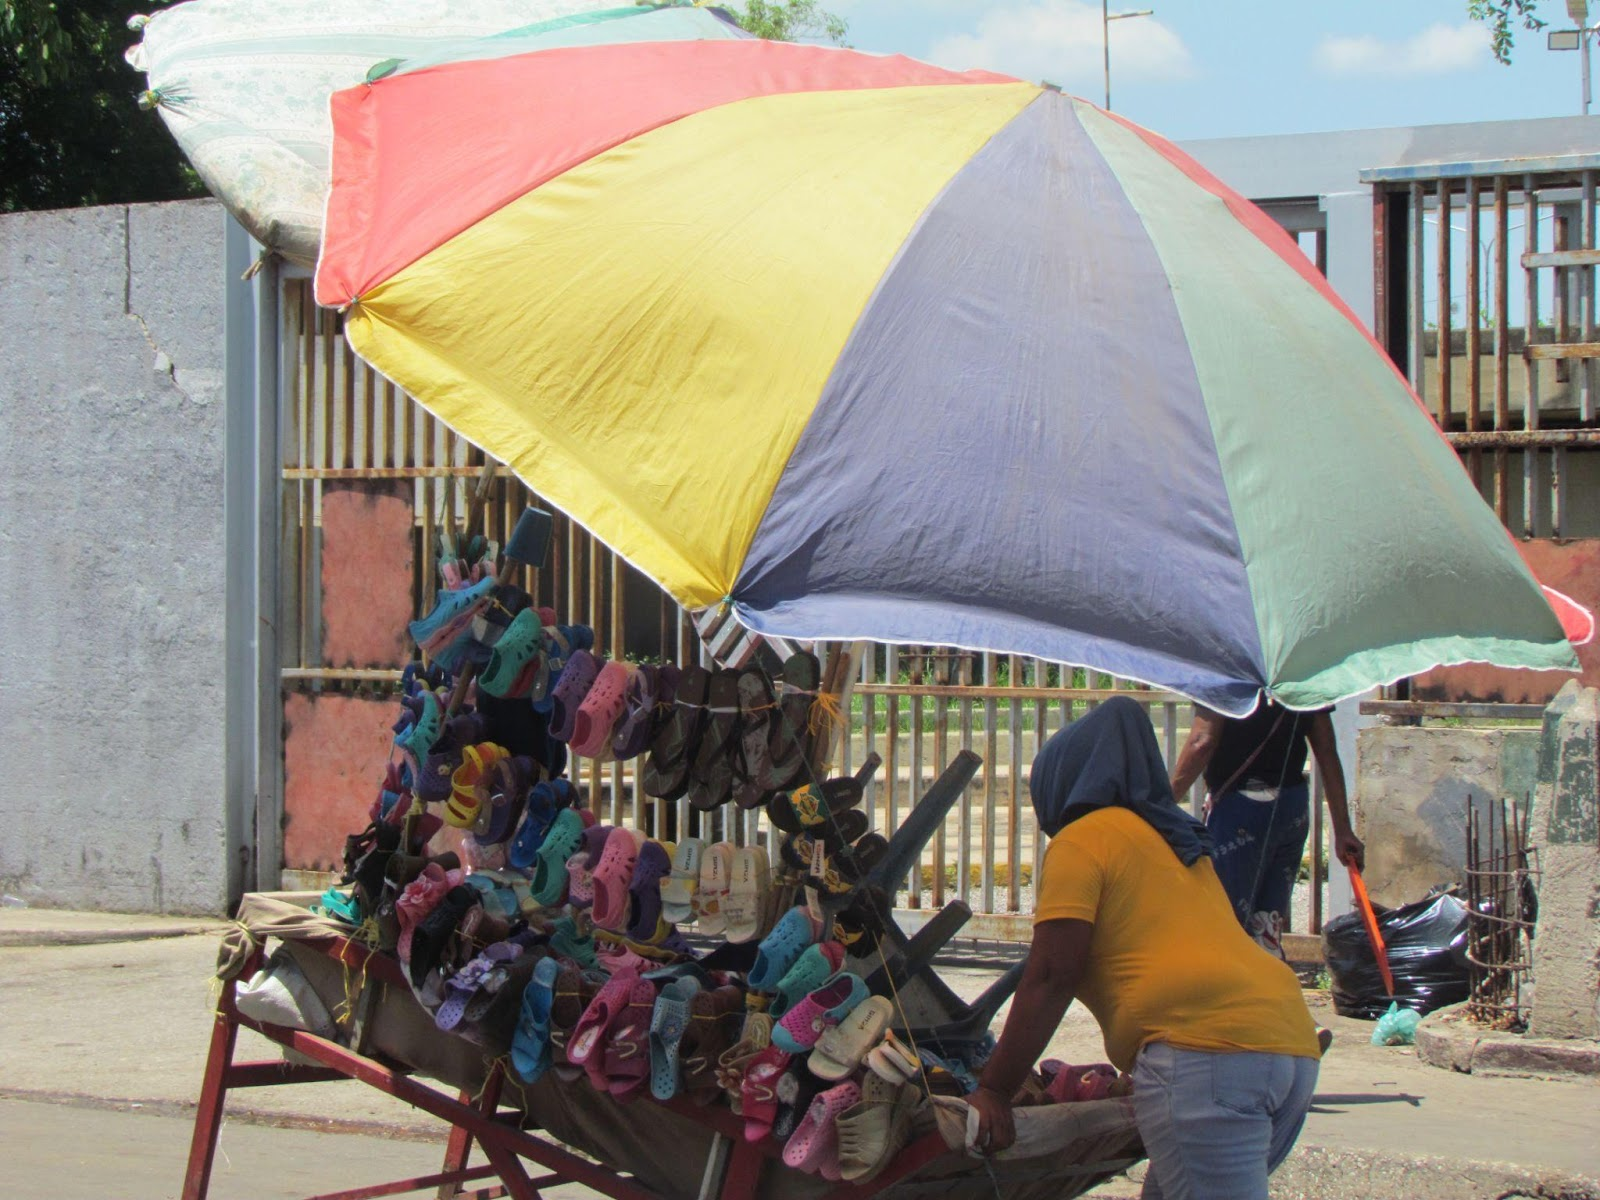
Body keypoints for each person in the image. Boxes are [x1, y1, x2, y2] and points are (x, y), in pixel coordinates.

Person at [967, 697, 1321, 1199]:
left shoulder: (1081, 840)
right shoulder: (1180, 842)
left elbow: (1051, 975)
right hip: (1290, 1042)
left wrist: (994, 1089)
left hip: (1209, 1057)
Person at [1168, 700, 1364, 946]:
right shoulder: (1301, 669)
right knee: (1267, 925)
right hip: (1292, 807)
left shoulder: (1227, 666)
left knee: (1226, 920)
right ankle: (1267, 973)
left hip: (1241, 809)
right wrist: (1343, 829)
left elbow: (1201, 741)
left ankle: (1233, 979)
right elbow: (1326, 750)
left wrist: (1163, 804)